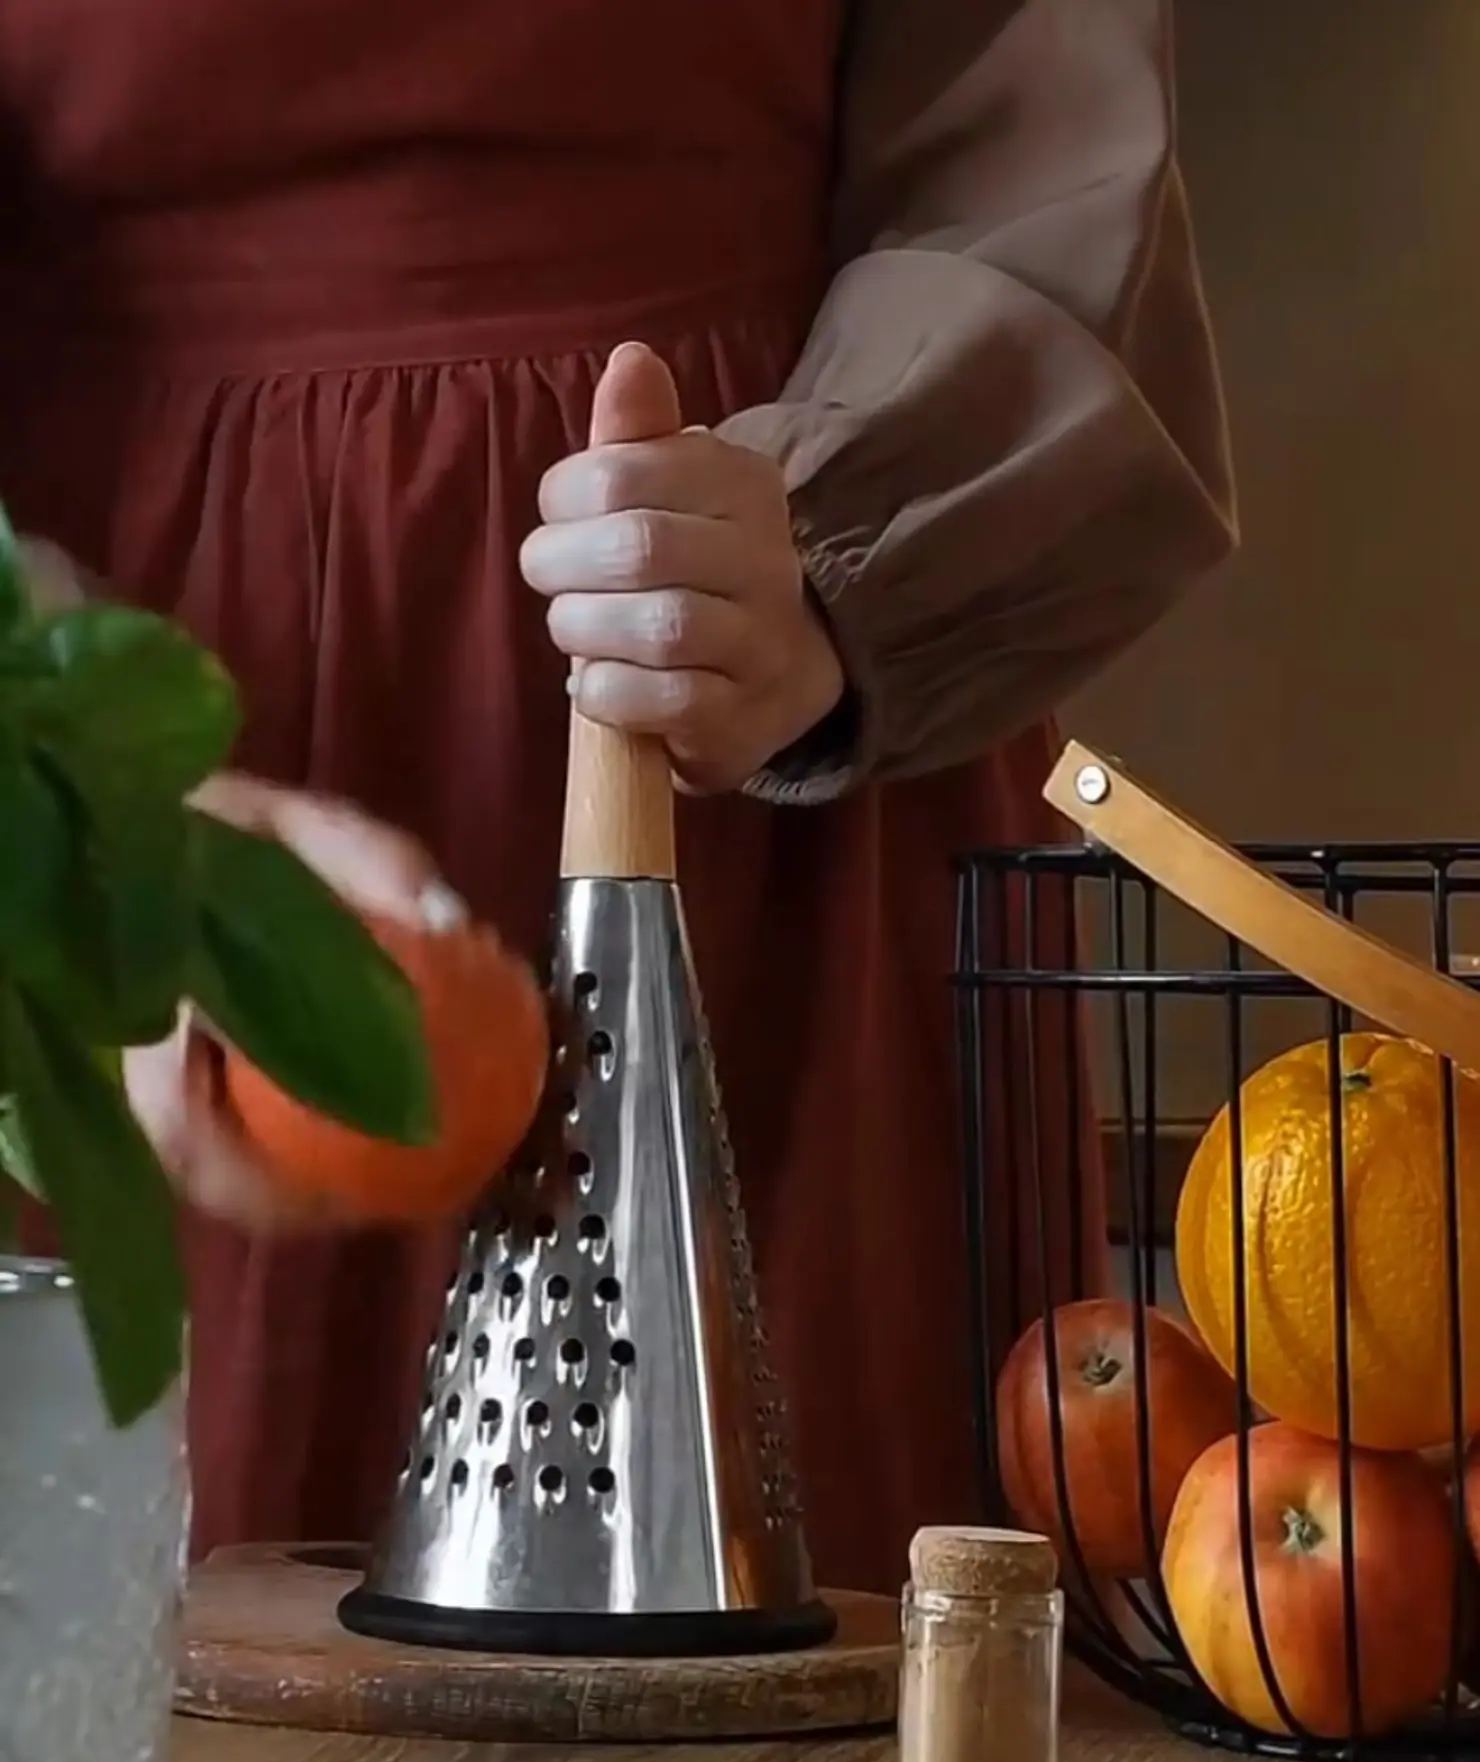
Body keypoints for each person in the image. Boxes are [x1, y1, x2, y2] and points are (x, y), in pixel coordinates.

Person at [0, 0, 1234, 1594]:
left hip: (781, 805)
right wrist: (60, 763)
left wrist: (843, 545)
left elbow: (1033, 143)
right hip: (122, 830)